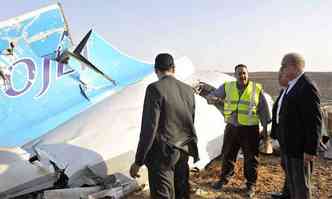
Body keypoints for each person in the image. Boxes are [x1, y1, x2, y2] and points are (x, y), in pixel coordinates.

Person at [129, 53, 199, 199]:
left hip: (163, 155)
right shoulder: (188, 90)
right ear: (174, 68)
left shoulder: (155, 89)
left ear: (156, 70)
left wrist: (138, 161)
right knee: (181, 194)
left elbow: (149, 128)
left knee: (163, 195)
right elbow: (190, 121)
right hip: (183, 152)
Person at [203, 64, 271, 198]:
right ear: (235, 75)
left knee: (251, 158)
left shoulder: (256, 89)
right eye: (239, 73)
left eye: (244, 73)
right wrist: (212, 99)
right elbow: (211, 97)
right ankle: (224, 178)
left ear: (248, 74)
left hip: (250, 129)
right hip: (232, 128)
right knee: (228, 154)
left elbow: (264, 111)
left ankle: (250, 184)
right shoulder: (227, 87)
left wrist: (265, 132)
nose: (242, 76)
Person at [273, 53, 322, 199]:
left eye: (283, 65)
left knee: (300, 187)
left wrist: (310, 150)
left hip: (299, 150)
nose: (281, 69)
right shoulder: (292, 86)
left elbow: (314, 122)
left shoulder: (307, 87)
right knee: (293, 183)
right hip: (289, 146)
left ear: (293, 66)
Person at [270, 66, 291, 199]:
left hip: (291, 137)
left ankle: (290, 194)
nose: (278, 78)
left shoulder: (293, 92)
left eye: (280, 76)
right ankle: (286, 194)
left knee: (292, 170)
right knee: (286, 166)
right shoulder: (283, 91)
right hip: (283, 137)